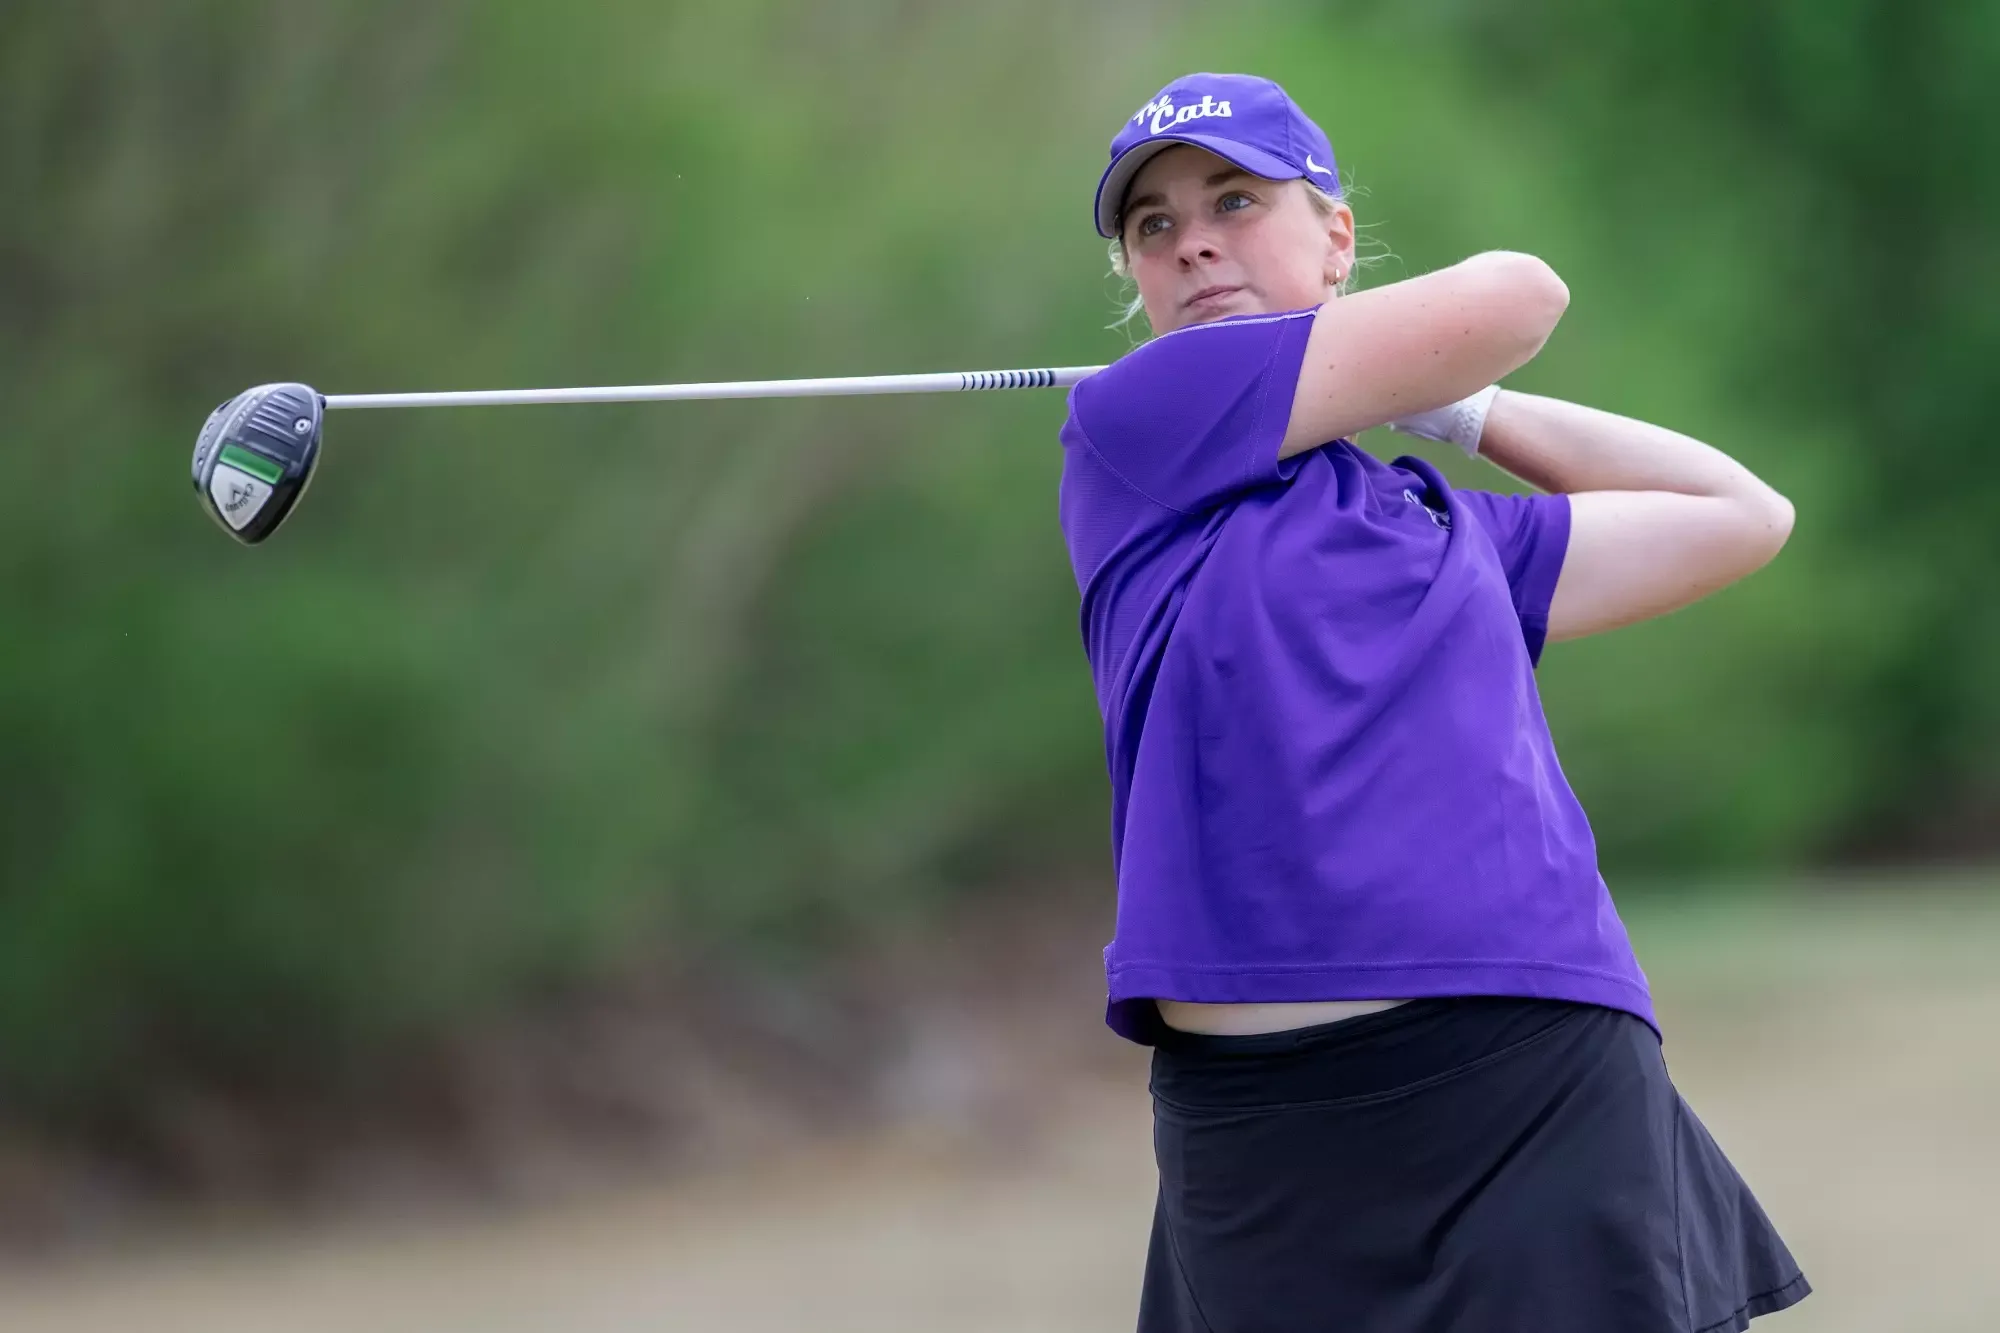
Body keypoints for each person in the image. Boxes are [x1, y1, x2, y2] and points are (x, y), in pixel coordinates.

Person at [1057, 73, 1812, 1332]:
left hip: (1527, 1078)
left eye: (1234, 201)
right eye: (1152, 225)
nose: (1190, 241)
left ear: (1335, 238)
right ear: (1136, 279)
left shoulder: (1440, 527)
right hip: (1261, 1122)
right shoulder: (1133, 422)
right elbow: (1508, 302)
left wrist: (1456, 408)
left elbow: (1737, 514)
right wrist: (1380, 364)